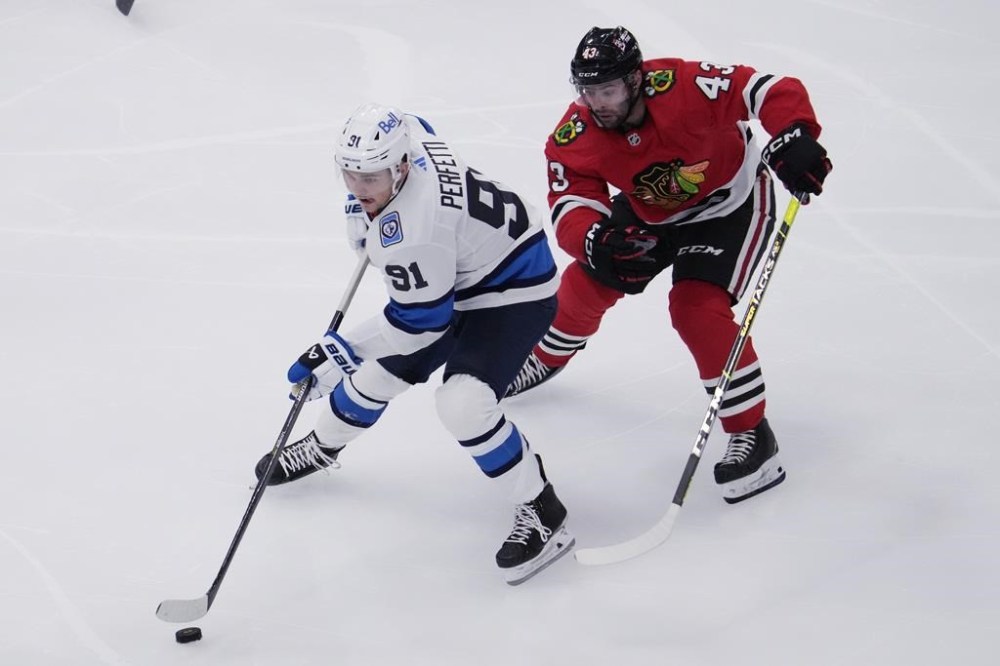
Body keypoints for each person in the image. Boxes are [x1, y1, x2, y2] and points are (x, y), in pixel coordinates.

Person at [506, 26, 832, 504]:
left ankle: (752, 435)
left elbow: (768, 89)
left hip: (731, 205)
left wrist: (795, 131)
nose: (598, 103)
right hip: (650, 209)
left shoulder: (684, 86)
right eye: (588, 91)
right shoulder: (576, 132)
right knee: (585, 282)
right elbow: (571, 200)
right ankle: (545, 357)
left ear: (637, 80)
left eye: (609, 89)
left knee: (695, 308)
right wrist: (595, 238)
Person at [253, 103, 573, 585]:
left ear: (401, 166)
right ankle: (324, 447)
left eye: (372, 178)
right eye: (351, 174)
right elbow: (416, 120)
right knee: (378, 376)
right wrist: (372, 215)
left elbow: (420, 324)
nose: (360, 189)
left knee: (463, 404)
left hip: (514, 292)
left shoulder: (415, 234)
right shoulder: (411, 141)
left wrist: (342, 351)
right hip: (467, 266)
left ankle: (542, 509)